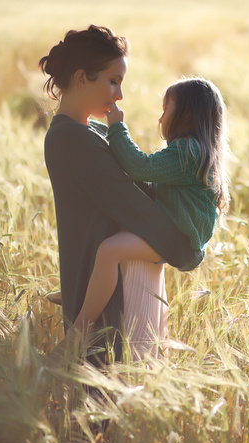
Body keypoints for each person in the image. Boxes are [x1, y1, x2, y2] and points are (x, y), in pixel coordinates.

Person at [40, 25, 204, 362]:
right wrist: (179, 246)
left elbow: (138, 193)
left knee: (119, 401)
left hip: (125, 276)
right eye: (113, 81)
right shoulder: (73, 139)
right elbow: (134, 206)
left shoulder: (91, 131)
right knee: (109, 400)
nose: (119, 96)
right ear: (82, 78)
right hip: (117, 290)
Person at [66, 77, 231, 357]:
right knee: (111, 230)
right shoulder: (194, 151)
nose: (161, 116)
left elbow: (139, 167)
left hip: (178, 239)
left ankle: (79, 328)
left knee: (109, 251)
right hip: (172, 231)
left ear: (186, 114)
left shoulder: (188, 153)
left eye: (166, 108)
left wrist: (116, 127)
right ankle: (84, 294)